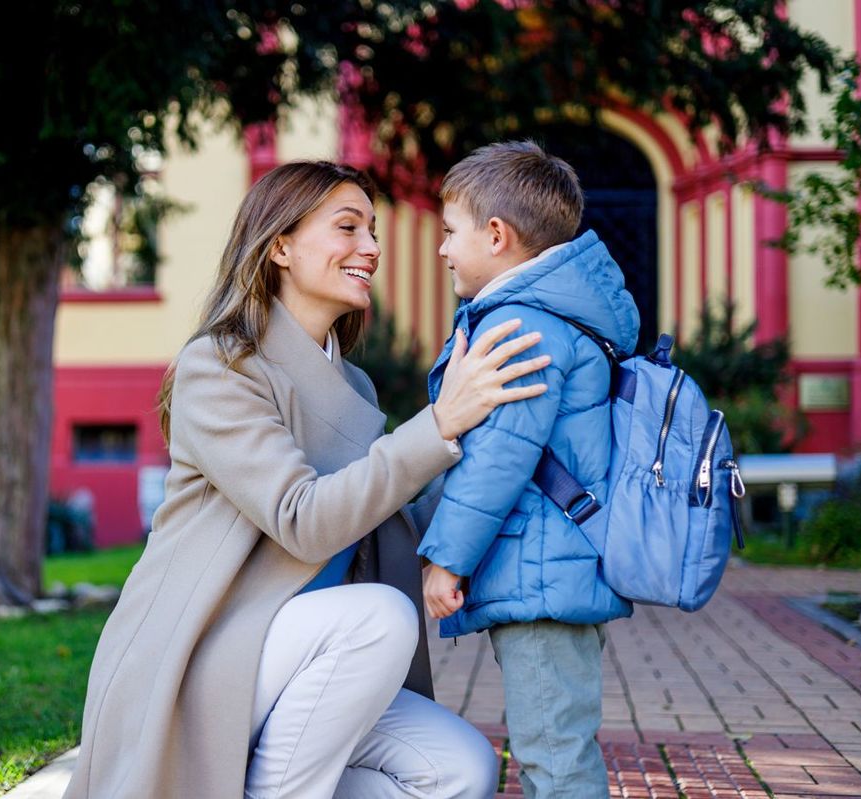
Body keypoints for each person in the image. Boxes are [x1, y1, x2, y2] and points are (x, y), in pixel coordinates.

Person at [63, 160, 553, 799]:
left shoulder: (352, 383)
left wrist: (501, 444)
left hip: (309, 666)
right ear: (280, 247)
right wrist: (438, 423)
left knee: (462, 769)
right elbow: (305, 520)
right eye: (348, 228)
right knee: (379, 617)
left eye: (373, 231)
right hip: (206, 656)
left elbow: (391, 510)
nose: (371, 249)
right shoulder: (219, 367)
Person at [418, 140, 640, 799]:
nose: (442, 249)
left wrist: (447, 560)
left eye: (450, 231)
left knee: (555, 758)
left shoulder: (522, 325)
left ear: (496, 235)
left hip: (543, 575)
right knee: (553, 744)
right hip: (546, 568)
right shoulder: (545, 316)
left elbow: (499, 458)